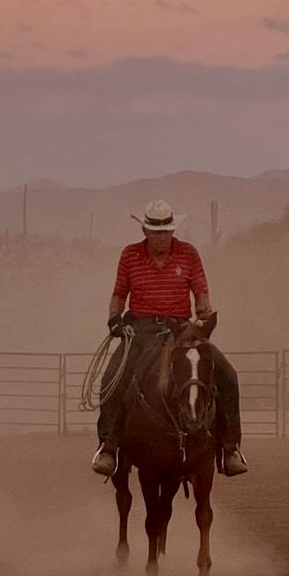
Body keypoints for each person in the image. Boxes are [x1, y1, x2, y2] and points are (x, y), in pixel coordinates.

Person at [91, 199, 248, 478]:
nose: (162, 237)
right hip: (140, 329)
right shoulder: (130, 255)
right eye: (156, 231)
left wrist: (203, 316)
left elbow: (200, 291)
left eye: (167, 231)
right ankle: (109, 446)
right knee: (113, 378)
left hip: (181, 330)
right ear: (145, 231)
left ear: (173, 231)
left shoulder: (188, 254)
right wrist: (114, 319)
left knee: (227, 375)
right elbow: (119, 293)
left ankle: (229, 447)